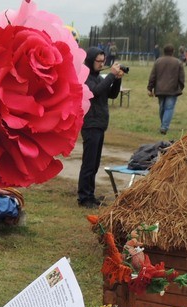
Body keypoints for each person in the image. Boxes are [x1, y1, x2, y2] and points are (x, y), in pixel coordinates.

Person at [77, 47, 124, 208]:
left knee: (95, 163)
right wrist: (111, 75)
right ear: (90, 60)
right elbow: (96, 92)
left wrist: (117, 79)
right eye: (98, 61)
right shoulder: (86, 78)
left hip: (100, 124)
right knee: (89, 163)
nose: (101, 63)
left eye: (103, 61)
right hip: (90, 124)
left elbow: (111, 94)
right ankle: (83, 197)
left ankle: (90, 194)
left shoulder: (98, 77)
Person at [147, 44, 185, 136]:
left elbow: (153, 75)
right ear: (173, 51)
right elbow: (181, 77)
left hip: (159, 89)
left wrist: (150, 88)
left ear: (163, 51)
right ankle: (164, 127)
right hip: (172, 89)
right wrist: (181, 87)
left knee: (162, 108)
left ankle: (163, 125)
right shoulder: (178, 62)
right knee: (169, 108)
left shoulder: (158, 61)